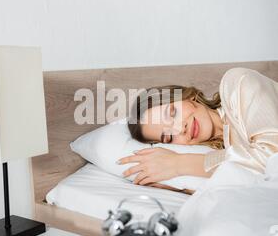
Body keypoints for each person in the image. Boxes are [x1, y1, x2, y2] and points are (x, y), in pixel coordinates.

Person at [118, 67, 278, 188]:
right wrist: (177, 187)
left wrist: (179, 163)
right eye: (169, 137)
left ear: (188, 96)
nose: (180, 129)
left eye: (173, 113)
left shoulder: (236, 84)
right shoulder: (220, 152)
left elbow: (273, 158)